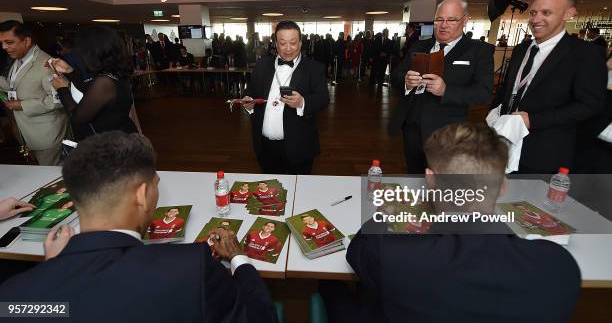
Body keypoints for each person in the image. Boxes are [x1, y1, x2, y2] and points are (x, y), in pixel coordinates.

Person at [0, 131, 278, 322]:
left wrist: (55, 268)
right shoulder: (192, 268)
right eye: (157, 186)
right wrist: (239, 259)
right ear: (142, 195)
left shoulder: (13, 298)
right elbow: (260, 317)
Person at [341, 123, 581, 322]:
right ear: (504, 185)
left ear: (430, 180)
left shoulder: (392, 255)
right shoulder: (561, 268)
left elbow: (357, 251)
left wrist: (385, 214)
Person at [491, 0, 607, 173]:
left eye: (546, 13)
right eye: (533, 12)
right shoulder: (522, 49)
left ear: (568, 14)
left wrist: (533, 120)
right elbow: (508, 90)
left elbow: (590, 105)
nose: (536, 19)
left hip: (542, 154)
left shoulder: (586, 53)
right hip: (502, 144)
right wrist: (493, 113)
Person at [389, 0, 494, 174]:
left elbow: (483, 93)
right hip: (412, 129)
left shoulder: (479, 51)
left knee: (441, 184)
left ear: (465, 20)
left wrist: (446, 91)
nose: (444, 25)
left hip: (447, 134)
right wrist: (406, 81)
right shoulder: (419, 46)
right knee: (414, 176)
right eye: (439, 19)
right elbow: (397, 75)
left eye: (451, 19)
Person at [241, 20, 329, 175]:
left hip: (299, 147)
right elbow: (250, 93)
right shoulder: (262, 65)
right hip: (264, 148)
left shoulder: (314, 68)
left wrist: (302, 102)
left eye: (293, 43)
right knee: (270, 192)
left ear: (301, 43)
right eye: (283, 43)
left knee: (298, 192)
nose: (288, 49)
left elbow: (323, 98)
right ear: (275, 44)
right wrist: (248, 102)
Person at [49, 25, 138, 141]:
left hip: (111, 144)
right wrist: (70, 72)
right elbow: (89, 91)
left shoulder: (104, 82)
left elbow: (77, 117)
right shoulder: (114, 74)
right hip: (120, 136)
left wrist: (62, 89)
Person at [0, 20, 68, 165]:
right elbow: (15, 85)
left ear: (27, 41)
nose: (4, 47)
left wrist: (23, 105)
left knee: (51, 178)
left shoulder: (46, 64)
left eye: (9, 42)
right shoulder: (19, 59)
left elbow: (59, 99)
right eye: (2, 42)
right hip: (30, 131)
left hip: (48, 135)